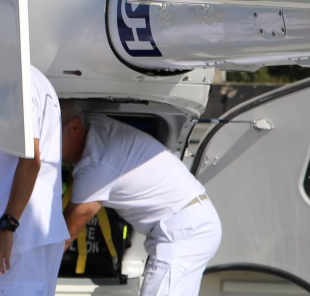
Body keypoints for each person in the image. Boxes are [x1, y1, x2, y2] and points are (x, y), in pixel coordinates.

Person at [60, 102, 221, 296]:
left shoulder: (96, 164)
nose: (44, 145)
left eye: (50, 135)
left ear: (75, 127)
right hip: (190, 221)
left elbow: (66, 233)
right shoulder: (95, 126)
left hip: (182, 231)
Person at [0, 7, 67, 296]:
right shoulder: (38, 81)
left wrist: (6, 228)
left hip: (21, 238)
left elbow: (31, 160)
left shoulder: (17, 85)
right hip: (42, 233)